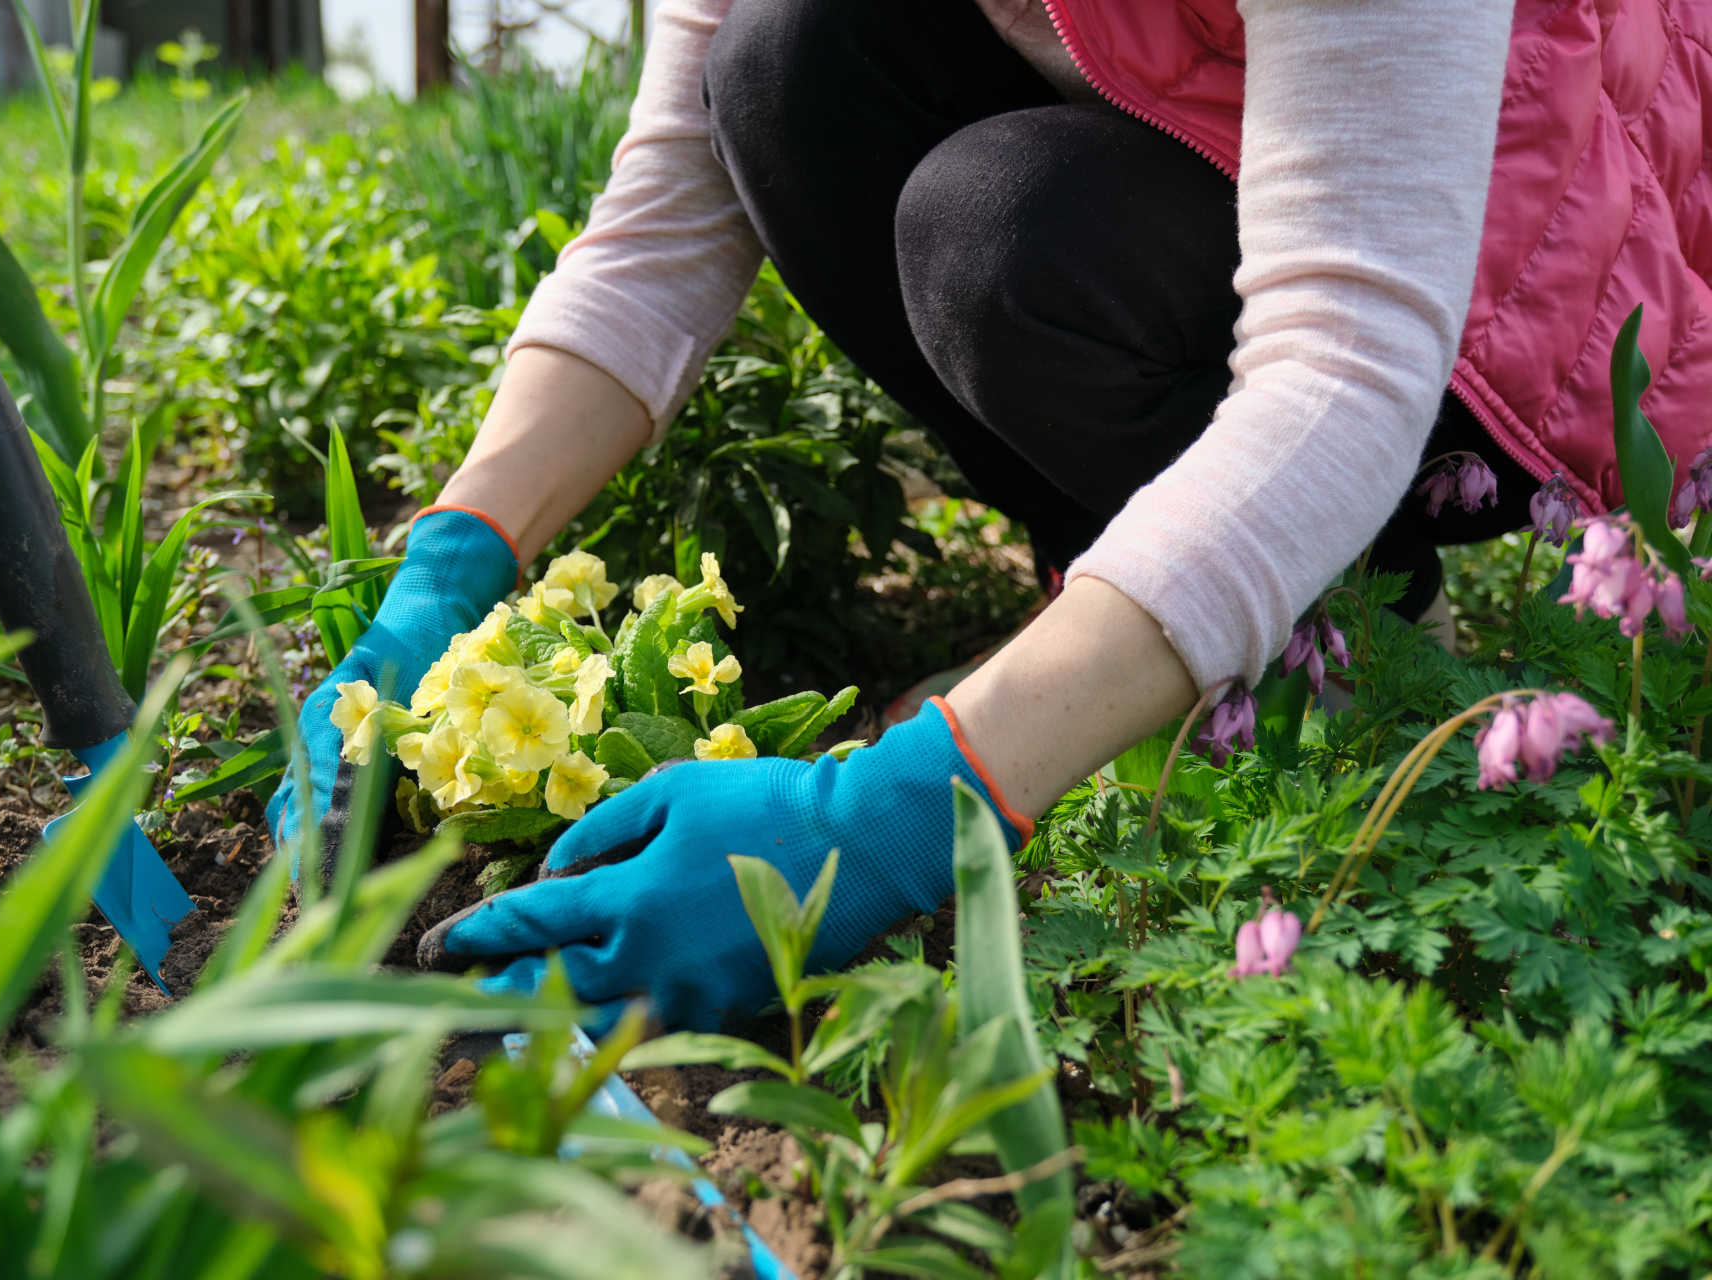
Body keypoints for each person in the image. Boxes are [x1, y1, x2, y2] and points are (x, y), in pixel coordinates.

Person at [266, 0, 1712, 1032]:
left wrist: (897, 813)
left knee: (1006, 231)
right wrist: (442, 578)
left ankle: (1368, 630)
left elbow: (1346, 360)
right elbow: (663, 219)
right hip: (1212, 201)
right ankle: (1134, 627)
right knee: (787, 59)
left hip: (1525, 341)